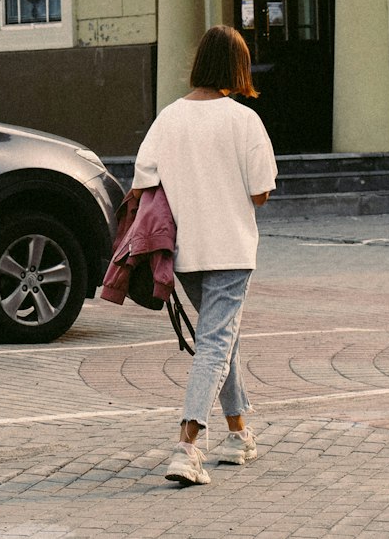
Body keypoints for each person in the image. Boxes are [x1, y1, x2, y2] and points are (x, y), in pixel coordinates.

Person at [130, 24, 277, 487]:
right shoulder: (244, 121)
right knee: (216, 342)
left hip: (185, 253)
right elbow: (261, 193)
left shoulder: (168, 118)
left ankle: (239, 435)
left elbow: (142, 182)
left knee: (220, 339)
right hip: (232, 248)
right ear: (237, 68)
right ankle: (187, 445)